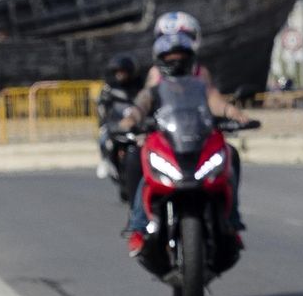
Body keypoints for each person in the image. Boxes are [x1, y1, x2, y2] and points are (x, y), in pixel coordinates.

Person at [118, 32, 253, 253]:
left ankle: (231, 219)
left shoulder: (201, 85)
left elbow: (216, 101)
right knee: (140, 163)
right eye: (170, 58)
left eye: (181, 57)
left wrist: (233, 113)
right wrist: (130, 120)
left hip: (198, 142)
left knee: (231, 154)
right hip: (165, 143)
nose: (177, 62)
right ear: (161, 60)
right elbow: (140, 106)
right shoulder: (155, 86)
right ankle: (138, 226)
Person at [96, 54, 138, 187]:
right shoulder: (109, 88)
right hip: (115, 123)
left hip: (134, 124)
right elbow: (102, 107)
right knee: (103, 138)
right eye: (117, 72)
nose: (120, 74)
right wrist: (105, 122)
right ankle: (105, 160)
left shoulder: (139, 86)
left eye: (123, 71)